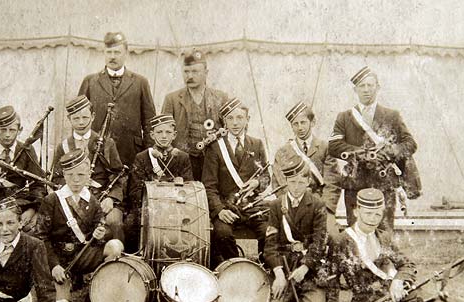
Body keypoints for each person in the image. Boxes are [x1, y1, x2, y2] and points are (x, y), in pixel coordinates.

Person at [331, 188, 464, 302]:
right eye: (368, 213)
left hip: (399, 293)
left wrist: (398, 281)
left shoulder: (383, 237)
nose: (372, 219)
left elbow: (407, 264)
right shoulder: (342, 240)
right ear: (356, 211)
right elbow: (331, 278)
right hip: (371, 300)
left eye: (377, 214)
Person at [328, 66, 417, 230]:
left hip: (384, 185)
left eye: (370, 85)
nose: (366, 90)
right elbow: (333, 146)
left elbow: (410, 144)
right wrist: (361, 153)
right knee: (356, 236)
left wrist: (388, 152)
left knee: (383, 234)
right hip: (355, 185)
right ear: (355, 90)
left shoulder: (392, 116)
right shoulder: (344, 117)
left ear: (378, 87)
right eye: (362, 86)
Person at [34, 149, 123, 302]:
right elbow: (41, 237)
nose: (76, 180)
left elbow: (101, 231)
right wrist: (54, 265)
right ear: (64, 175)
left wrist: (100, 235)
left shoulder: (93, 201)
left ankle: (95, 290)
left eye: (81, 175)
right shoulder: (52, 200)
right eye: (70, 175)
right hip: (59, 260)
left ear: (89, 175)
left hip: (82, 256)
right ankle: (60, 288)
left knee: (115, 246)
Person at [201, 98, 270, 267]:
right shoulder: (216, 147)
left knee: (269, 233)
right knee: (222, 234)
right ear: (224, 121)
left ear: (247, 119)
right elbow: (208, 186)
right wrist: (219, 211)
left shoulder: (257, 144)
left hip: (252, 206)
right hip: (226, 207)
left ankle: (265, 269)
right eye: (230, 118)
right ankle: (235, 268)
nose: (235, 123)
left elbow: (267, 176)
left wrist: (257, 183)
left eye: (240, 118)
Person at [50, 95, 126, 242]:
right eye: (76, 118)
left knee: (114, 222)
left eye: (85, 117)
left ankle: (114, 261)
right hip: (74, 198)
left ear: (92, 116)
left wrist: (111, 198)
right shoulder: (63, 146)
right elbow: (57, 177)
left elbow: (119, 176)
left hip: (102, 197)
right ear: (69, 119)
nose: (81, 123)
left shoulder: (106, 143)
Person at [263, 156, 329, 302]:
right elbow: (270, 245)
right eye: (292, 182)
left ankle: (306, 294)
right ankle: (291, 295)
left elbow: (319, 243)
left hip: (309, 267)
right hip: (286, 265)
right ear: (286, 181)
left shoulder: (317, 205)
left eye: (301, 182)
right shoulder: (276, 206)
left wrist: (305, 268)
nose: (297, 187)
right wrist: (279, 274)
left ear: (308, 182)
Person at [79, 31, 156, 167]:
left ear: (126, 52)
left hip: (131, 153)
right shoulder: (90, 81)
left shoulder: (140, 82)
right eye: (109, 52)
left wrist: (148, 154)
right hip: (96, 152)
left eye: (117, 52)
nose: (112, 57)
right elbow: (79, 118)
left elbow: (149, 122)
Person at [272, 101, 342, 237]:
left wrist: (324, 208)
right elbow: (279, 185)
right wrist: (295, 204)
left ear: (313, 122)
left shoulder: (325, 148)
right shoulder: (283, 152)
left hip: (321, 205)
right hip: (294, 206)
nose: (300, 128)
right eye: (295, 124)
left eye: (303, 122)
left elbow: (332, 183)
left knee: (333, 237)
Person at [125, 114, 194, 250]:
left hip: (176, 208)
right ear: (152, 134)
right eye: (159, 132)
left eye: (168, 132)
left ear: (174, 135)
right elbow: (135, 192)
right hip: (148, 207)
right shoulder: (142, 158)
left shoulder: (182, 157)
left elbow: (189, 189)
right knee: (130, 224)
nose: (164, 136)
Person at [0, 105, 46, 233]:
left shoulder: (26, 151)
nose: (7, 135)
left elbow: (38, 185)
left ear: (20, 130)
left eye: (12, 130)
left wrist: (31, 211)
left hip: (20, 205)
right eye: (3, 130)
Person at [161, 49, 229, 180]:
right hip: (183, 163)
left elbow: (227, 131)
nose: (190, 76)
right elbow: (164, 133)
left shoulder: (220, 98)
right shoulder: (172, 99)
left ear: (206, 73)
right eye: (186, 71)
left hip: (213, 163)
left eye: (195, 71)